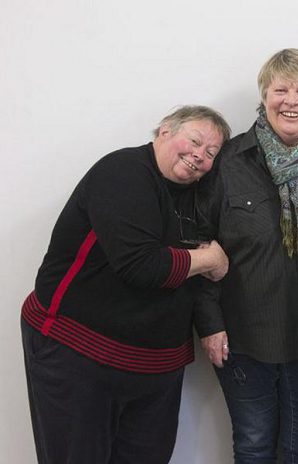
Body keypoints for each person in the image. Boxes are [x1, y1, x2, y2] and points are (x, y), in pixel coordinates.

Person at [20, 105, 231, 464]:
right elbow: (142, 265)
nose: (199, 155)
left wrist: (210, 325)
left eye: (211, 153)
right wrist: (212, 259)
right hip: (77, 353)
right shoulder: (123, 172)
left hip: (155, 369)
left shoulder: (201, 196)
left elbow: (187, 277)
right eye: (194, 140)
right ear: (164, 131)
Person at [194, 49, 298, 463]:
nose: (291, 100)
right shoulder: (227, 163)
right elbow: (200, 246)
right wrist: (210, 325)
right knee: (253, 447)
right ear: (264, 95)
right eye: (281, 90)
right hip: (244, 337)